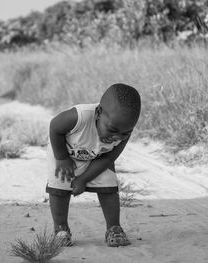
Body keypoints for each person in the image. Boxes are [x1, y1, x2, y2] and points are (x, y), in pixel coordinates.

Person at [46, 83, 141, 247]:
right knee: (60, 185)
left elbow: (109, 158)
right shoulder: (79, 117)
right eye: (112, 129)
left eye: (125, 133)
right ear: (98, 113)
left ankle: (114, 227)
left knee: (108, 184)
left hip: (98, 157)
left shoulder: (123, 130)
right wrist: (61, 158)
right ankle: (61, 229)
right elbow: (55, 127)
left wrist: (83, 180)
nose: (116, 137)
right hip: (65, 151)